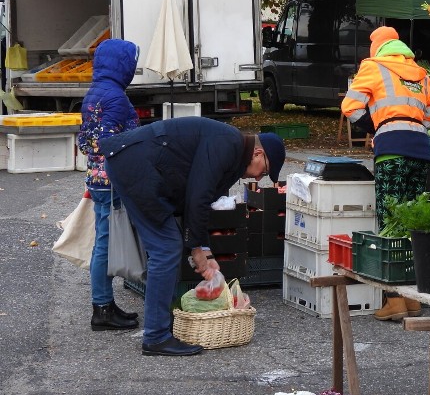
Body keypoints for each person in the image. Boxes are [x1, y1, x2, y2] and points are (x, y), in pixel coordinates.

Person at [100, 117, 286, 356]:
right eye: (265, 171)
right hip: (135, 164)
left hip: (135, 164)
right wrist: (196, 249)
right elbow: (196, 197)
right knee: (166, 248)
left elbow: (201, 201)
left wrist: (205, 250)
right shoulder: (228, 144)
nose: (259, 179)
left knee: (166, 246)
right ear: (258, 153)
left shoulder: (233, 155)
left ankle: (161, 324)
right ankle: (156, 336)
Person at [342, 26, 430, 321]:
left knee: (389, 221)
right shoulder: (420, 74)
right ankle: (413, 298)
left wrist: (377, 128)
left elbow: (350, 107)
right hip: (421, 151)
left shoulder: (373, 67)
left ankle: (394, 298)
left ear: (377, 48)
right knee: (412, 221)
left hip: (392, 150)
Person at [77, 39, 142, 332]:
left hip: (99, 177)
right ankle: (101, 308)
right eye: (132, 61)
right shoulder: (115, 97)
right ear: (122, 64)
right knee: (104, 242)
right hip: (112, 180)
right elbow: (107, 141)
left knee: (104, 240)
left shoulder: (95, 92)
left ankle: (105, 304)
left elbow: (85, 141)